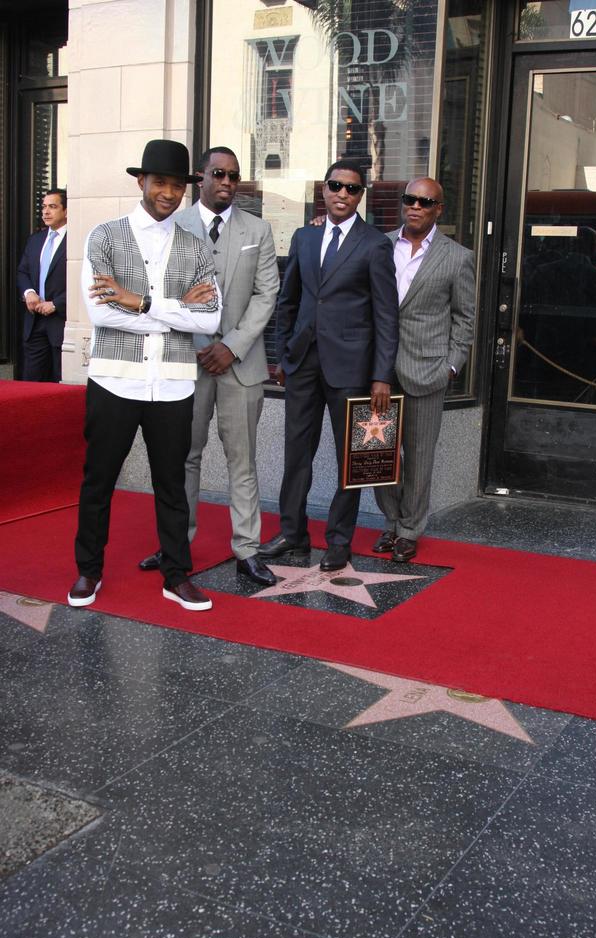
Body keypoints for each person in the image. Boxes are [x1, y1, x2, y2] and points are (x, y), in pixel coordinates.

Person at [67, 140, 221, 611]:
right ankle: (88, 571)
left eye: (178, 185)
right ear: (142, 182)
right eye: (161, 183)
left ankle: (177, 576)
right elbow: (101, 312)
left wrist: (141, 302)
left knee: (172, 485)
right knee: (99, 481)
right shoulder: (104, 236)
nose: (169, 193)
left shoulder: (196, 248)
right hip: (116, 381)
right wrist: (176, 312)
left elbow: (211, 320)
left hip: (173, 384)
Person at [139, 146, 279, 586]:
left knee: (244, 462)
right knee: (183, 458)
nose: (227, 182)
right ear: (200, 177)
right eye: (218, 173)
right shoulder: (172, 224)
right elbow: (158, 288)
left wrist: (231, 346)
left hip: (241, 365)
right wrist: (202, 343)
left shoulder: (258, 228)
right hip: (186, 360)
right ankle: (174, 545)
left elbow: (266, 295)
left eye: (234, 176)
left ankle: (247, 550)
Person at [258, 161, 399, 572]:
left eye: (352, 189)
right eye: (336, 186)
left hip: (352, 370)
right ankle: (293, 534)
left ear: (360, 196)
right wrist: (283, 355)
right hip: (303, 365)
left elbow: (386, 317)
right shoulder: (304, 236)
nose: (342, 194)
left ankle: (339, 540)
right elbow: (289, 301)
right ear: (324, 190)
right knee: (296, 453)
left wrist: (381, 376)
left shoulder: (375, 244)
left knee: (349, 461)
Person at [373, 177, 475, 562]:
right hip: (379, 371)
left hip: (427, 371)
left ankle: (410, 529)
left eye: (425, 201)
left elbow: (465, 319)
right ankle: (391, 522)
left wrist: (451, 366)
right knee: (379, 452)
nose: (415, 206)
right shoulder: (378, 245)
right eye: (410, 199)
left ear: (438, 209)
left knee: (418, 455)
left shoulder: (457, 257)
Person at [17, 188, 68, 382]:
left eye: (53, 207)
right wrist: (29, 292)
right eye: (44, 207)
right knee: (31, 383)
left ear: (66, 211)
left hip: (60, 321)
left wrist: (56, 304)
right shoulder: (35, 240)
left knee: (60, 383)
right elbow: (22, 271)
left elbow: (83, 280)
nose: (46, 212)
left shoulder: (77, 241)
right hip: (34, 320)